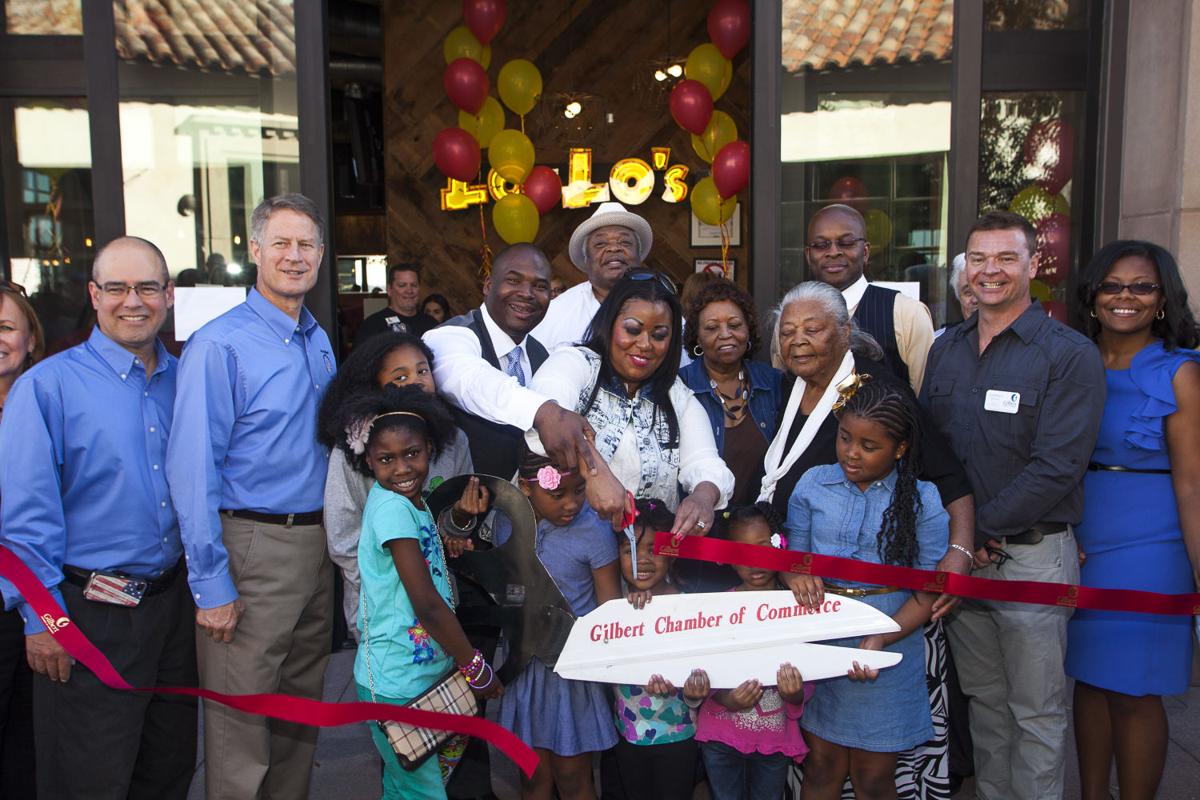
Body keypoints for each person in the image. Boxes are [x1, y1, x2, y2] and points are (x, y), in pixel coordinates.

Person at [759, 282, 973, 800]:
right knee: (821, 763)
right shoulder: (785, 388)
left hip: (886, 621)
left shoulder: (876, 393)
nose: (798, 340)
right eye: (788, 331)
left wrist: (960, 552)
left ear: (845, 332)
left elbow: (946, 475)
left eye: (813, 329)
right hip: (818, 617)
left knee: (877, 774)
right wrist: (791, 569)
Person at [0, 237, 196, 799]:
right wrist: (45, 623)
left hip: (172, 610)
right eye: (116, 288)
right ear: (94, 294)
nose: (132, 301)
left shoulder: (185, 381)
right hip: (87, 616)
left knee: (167, 768)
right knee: (89, 778)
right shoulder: (47, 387)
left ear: (168, 296)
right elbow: (26, 523)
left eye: (147, 287)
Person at [920, 210, 1105, 800]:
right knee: (986, 707)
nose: (990, 271)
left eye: (1005, 258)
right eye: (978, 259)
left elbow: (1058, 466)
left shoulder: (1068, 355)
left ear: (1032, 265)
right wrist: (957, 542)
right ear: (965, 268)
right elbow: (930, 455)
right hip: (964, 560)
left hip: (1028, 556)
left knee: (1037, 713)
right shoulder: (945, 348)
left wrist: (974, 535)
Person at [167, 193, 337, 800]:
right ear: (256, 251)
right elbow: (192, 471)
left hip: (315, 546)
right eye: (283, 244)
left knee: (299, 716)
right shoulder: (221, 345)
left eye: (307, 245)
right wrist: (211, 585)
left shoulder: (315, 338)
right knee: (239, 729)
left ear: (320, 254)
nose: (295, 256)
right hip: (252, 547)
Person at [1065, 241, 1200, 800]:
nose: (1125, 297)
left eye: (1141, 286)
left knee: (1134, 690)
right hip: (1078, 538)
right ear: (1093, 296)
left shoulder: (1181, 374)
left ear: (1163, 298)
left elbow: (1193, 481)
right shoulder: (1071, 357)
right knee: (1090, 682)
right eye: (1112, 285)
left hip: (1153, 545)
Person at [784, 377, 950, 799]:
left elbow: (926, 592)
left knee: (874, 777)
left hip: (891, 642)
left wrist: (879, 639)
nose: (851, 453)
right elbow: (792, 561)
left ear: (899, 449)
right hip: (823, 639)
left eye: (868, 446)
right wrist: (796, 576)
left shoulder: (923, 501)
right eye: (844, 438)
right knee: (821, 766)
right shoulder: (812, 485)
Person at [339, 385, 502, 799]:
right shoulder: (392, 508)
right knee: (423, 791)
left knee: (404, 786)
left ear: (430, 448)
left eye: (412, 454)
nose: (402, 469)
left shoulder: (411, 502)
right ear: (368, 461)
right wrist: (475, 666)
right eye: (386, 459)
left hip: (418, 675)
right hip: (398, 683)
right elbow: (427, 604)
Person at [526, 269, 735, 537]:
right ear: (610, 322)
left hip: (645, 565)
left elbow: (706, 463)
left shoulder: (676, 395)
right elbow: (548, 413)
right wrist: (594, 472)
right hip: (567, 559)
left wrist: (703, 497)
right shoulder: (575, 363)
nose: (645, 344)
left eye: (659, 335)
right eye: (633, 329)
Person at [424, 244, 620, 518]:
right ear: (488, 285)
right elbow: (469, 379)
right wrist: (543, 412)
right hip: (456, 523)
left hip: (521, 530)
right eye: (514, 281)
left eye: (540, 286)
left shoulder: (542, 354)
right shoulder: (450, 336)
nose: (527, 294)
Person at [317, 331, 473, 637]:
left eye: (423, 370)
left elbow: (455, 517)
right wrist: (385, 583)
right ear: (374, 385)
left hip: (440, 600)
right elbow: (343, 535)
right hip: (380, 604)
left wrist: (460, 524)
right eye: (400, 376)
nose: (416, 381)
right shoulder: (354, 447)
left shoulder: (455, 441)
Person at [496, 448, 621, 800]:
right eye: (558, 495)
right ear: (525, 488)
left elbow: (608, 608)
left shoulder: (594, 529)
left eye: (580, 490)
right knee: (532, 777)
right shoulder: (505, 523)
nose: (571, 504)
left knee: (572, 775)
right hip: (522, 666)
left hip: (570, 670)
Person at [693, 504, 812, 800]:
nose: (755, 561)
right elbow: (702, 669)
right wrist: (725, 697)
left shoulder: (797, 611)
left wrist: (794, 694)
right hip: (721, 737)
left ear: (780, 546)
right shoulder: (716, 610)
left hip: (774, 738)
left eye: (763, 547)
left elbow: (810, 673)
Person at [678, 279, 784, 590]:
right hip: (703, 540)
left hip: (761, 541)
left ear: (748, 330)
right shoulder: (678, 388)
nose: (725, 334)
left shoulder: (774, 383)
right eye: (711, 327)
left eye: (735, 324)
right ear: (696, 336)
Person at [606, 498, 703, 800]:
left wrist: (693, 692)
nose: (642, 560)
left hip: (678, 736)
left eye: (654, 550)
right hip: (628, 732)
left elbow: (701, 672)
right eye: (630, 550)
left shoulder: (690, 609)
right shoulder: (613, 607)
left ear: (672, 555)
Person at [806, 204, 935, 391]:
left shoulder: (906, 313)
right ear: (809, 255)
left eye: (846, 242)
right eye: (820, 245)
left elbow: (925, 398)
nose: (833, 252)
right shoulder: (791, 319)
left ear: (865, 252)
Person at [0, 279, 43, 798]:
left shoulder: (48, 402)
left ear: (31, 337)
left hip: (43, 606)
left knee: (28, 753)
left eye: (6, 327)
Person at [531, 201, 653, 351]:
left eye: (625, 242)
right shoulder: (555, 314)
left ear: (639, 256)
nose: (614, 248)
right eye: (601, 243)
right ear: (586, 259)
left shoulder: (662, 310)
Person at [357, 262, 438, 343]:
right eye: (402, 285)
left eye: (414, 285)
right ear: (389, 290)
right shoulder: (373, 325)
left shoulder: (432, 325)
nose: (409, 291)